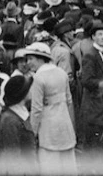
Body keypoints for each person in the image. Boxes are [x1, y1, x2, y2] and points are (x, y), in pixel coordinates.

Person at [26, 42, 78, 175]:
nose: (28, 63)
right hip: (65, 125)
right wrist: (72, 126)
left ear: (40, 58)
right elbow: (69, 102)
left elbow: (36, 109)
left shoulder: (38, 78)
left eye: (31, 59)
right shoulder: (62, 73)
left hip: (48, 127)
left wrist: (34, 132)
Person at [79, 21, 103, 156]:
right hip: (94, 104)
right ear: (93, 37)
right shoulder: (90, 55)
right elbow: (86, 81)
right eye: (99, 35)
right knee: (93, 142)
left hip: (102, 104)